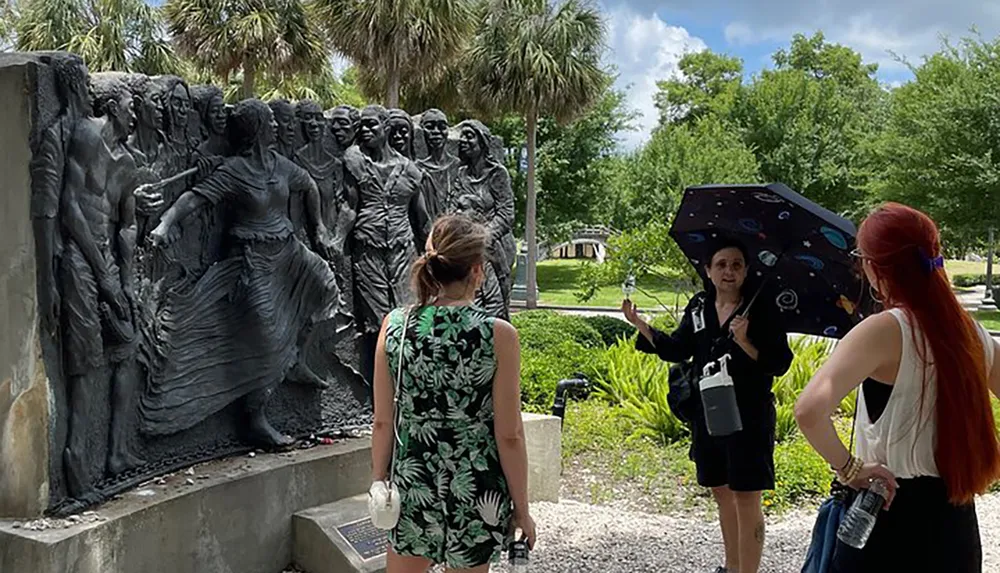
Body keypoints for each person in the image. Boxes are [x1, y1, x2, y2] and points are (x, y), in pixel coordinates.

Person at [795, 203, 1000, 572]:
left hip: (885, 515)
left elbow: (808, 411)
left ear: (875, 266)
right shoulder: (971, 332)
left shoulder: (883, 330)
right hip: (956, 524)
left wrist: (849, 467)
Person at [143, 99, 352, 445]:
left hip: (289, 251)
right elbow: (194, 200)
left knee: (326, 286)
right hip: (253, 260)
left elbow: (309, 185)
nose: (275, 127)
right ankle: (255, 418)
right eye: (268, 122)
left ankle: (296, 355)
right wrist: (164, 225)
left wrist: (317, 229)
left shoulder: (279, 164)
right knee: (266, 338)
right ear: (256, 130)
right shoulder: (234, 171)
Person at [371, 214, 536, 572]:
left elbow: (383, 421)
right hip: (476, 483)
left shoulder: (396, 325)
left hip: (413, 478)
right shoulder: (498, 335)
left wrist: (378, 481)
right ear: (478, 271)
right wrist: (522, 509)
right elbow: (509, 435)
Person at [622, 238, 793, 573]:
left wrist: (745, 341)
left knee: (747, 495)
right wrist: (639, 324)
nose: (729, 271)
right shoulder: (700, 305)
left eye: (736, 264)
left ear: (745, 271)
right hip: (710, 411)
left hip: (749, 415)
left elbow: (779, 363)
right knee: (721, 490)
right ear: (708, 270)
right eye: (721, 264)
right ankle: (731, 567)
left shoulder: (762, 308)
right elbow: (677, 348)